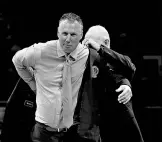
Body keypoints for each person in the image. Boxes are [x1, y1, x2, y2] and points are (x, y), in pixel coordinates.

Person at [11, 13, 139, 142]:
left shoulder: (92, 56)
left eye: (73, 35)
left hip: (83, 131)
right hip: (44, 128)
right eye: (65, 34)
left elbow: (121, 70)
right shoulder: (42, 53)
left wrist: (125, 83)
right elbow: (18, 62)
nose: (69, 40)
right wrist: (33, 85)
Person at [75, 25, 144, 142]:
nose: (86, 47)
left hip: (121, 132)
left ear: (105, 43)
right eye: (85, 44)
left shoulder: (115, 64)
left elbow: (128, 68)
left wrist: (126, 84)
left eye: (90, 44)